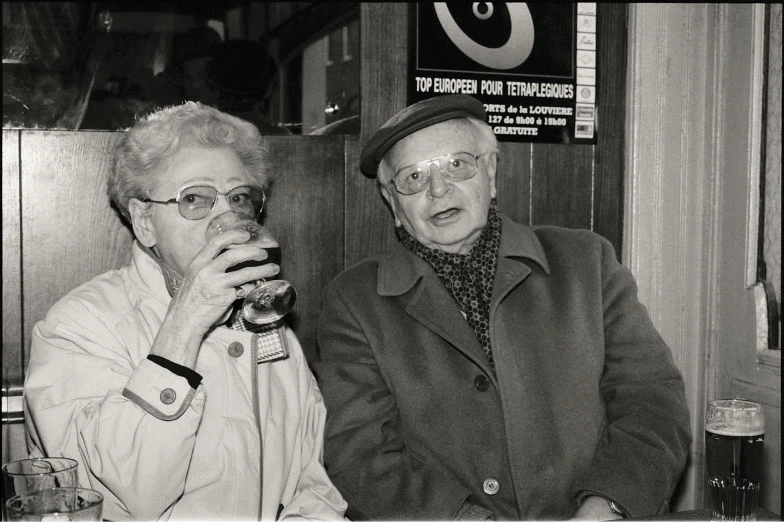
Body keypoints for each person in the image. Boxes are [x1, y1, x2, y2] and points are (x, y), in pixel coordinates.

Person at [315, 94, 692, 520]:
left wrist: (606, 505)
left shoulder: (587, 262)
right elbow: (359, 454)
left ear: (491, 175)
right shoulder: (355, 302)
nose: (439, 189)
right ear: (394, 205)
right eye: (414, 177)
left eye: (457, 165)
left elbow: (652, 400)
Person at [23, 102, 347, 521]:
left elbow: (311, 482)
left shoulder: (269, 325)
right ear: (144, 220)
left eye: (239, 198)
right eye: (195, 198)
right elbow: (111, 498)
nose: (227, 216)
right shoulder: (76, 326)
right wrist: (187, 321)